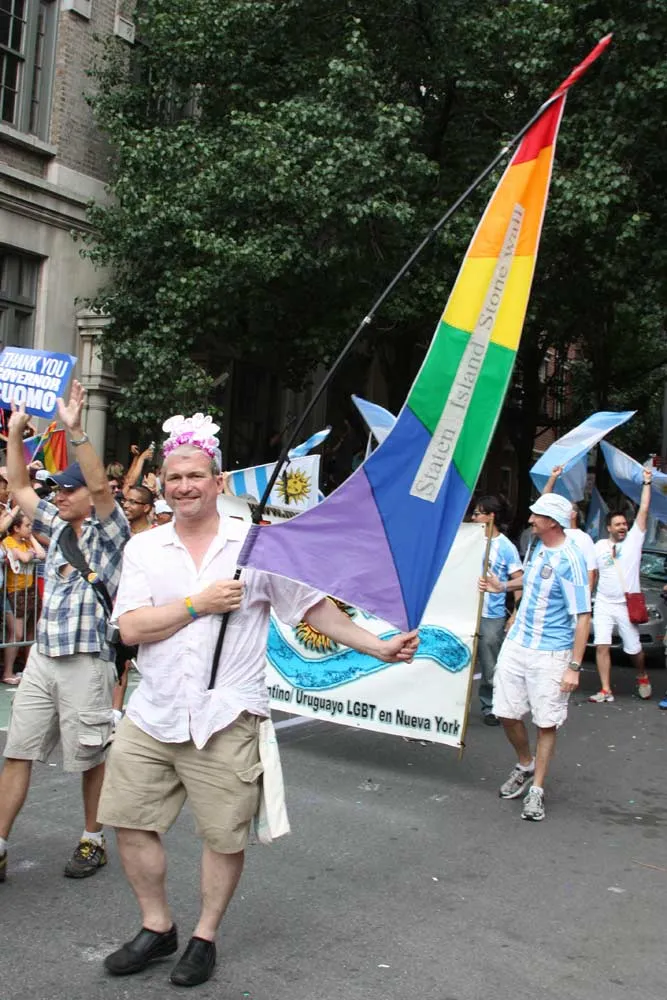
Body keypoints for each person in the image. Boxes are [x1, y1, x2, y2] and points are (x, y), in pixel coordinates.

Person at [98, 414, 419, 988]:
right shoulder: (145, 548)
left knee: (223, 835)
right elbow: (130, 628)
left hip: (227, 714)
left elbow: (312, 608)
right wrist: (198, 605)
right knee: (128, 821)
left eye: (196, 476)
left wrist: (378, 646)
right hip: (153, 712)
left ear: (218, 482)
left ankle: (204, 936)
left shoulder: (259, 544)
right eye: (174, 478)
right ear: (162, 484)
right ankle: (157, 925)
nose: (184, 487)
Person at [0, 381, 130, 885]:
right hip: (43, 659)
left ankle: (93, 839)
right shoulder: (55, 524)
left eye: (67, 489)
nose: (58, 495)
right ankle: (0, 844)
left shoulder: (111, 531)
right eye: (57, 489)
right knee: (17, 751)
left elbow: (101, 488)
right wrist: (15, 434)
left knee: (90, 757)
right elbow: (20, 488)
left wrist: (77, 432)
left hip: (87, 661)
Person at [480, 493, 591, 822]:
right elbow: (528, 580)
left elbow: (583, 616)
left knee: (545, 722)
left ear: (553, 522)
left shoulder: (572, 560)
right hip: (517, 644)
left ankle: (537, 790)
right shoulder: (536, 545)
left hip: (552, 652)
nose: (530, 520)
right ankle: (525, 764)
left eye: (537, 516)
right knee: (505, 712)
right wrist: (502, 587)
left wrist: (573, 667)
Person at [589, 468, 653, 704]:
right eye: (617, 524)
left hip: (626, 605)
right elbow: (592, 574)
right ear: (609, 528)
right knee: (601, 644)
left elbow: (644, 509)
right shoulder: (599, 547)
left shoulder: (635, 540)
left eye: (624, 523)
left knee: (634, 650)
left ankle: (642, 675)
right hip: (604, 603)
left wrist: (647, 483)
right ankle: (605, 689)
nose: (623, 527)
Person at [470, 496, 522, 725]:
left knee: (490, 663)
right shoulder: (468, 539)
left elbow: (518, 581)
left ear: (491, 516)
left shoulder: (506, 547)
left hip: (491, 613)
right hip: (465, 609)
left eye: (477, 513)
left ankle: (491, 706)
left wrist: (515, 614)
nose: (473, 517)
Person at [1, 512, 46, 684]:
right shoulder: (8, 542)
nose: (30, 528)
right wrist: (31, 553)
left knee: (30, 633)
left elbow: (41, 554)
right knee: (17, 633)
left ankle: (29, 671)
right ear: (16, 528)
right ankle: (8, 672)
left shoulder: (26, 542)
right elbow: (25, 557)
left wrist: (32, 538)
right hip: (13, 592)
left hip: (29, 591)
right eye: (27, 526)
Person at [541, 465, 598, 591]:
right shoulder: (553, 531)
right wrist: (553, 477)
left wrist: (585, 599)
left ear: (573, 514)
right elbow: (544, 504)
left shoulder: (583, 538)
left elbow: (591, 571)